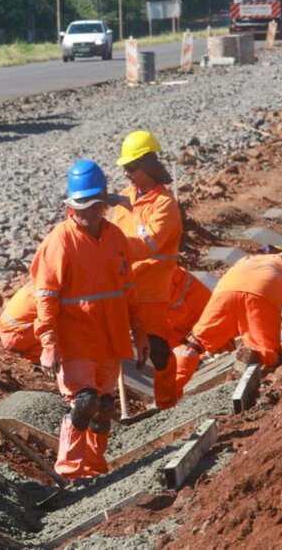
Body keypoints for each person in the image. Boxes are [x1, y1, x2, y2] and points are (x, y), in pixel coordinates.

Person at [31, 160, 148, 480]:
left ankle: (95, 468)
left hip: (110, 339)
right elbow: (46, 297)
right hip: (75, 340)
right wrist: (49, 342)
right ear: (70, 206)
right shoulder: (59, 242)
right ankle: (68, 470)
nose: (88, 213)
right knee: (84, 402)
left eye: (95, 205)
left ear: (104, 204)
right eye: (81, 206)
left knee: (104, 407)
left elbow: (128, 288)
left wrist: (139, 329)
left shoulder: (115, 238)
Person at [171, 246, 282, 398]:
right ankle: (254, 357)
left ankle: (168, 392)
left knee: (194, 343)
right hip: (262, 294)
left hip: (224, 294)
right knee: (268, 352)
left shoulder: (245, 260)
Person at [0, 266, 208, 368]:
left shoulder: (62, 278)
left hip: (17, 328)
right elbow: (55, 320)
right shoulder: (57, 289)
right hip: (18, 333)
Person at [110, 131, 183, 409]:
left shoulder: (165, 205)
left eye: (131, 168)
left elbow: (148, 244)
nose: (126, 174)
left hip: (150, 291)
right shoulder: (128, 197)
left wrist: (113, 246)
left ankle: (167, 404)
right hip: (121, 285)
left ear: (149, 165)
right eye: (125, 168)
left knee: (159, 351)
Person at [0, 284, 40, 364]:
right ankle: (35, 358)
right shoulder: (48, 290)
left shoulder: (36, 281)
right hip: (16, 336)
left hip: (8, 332)